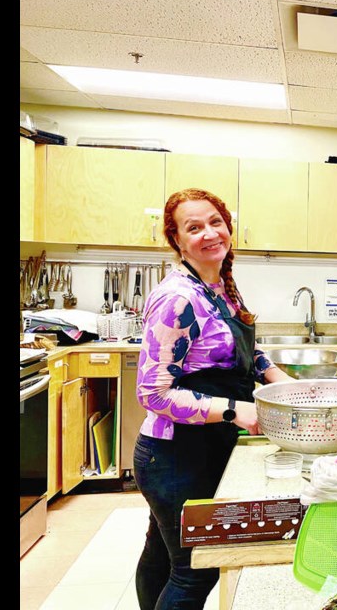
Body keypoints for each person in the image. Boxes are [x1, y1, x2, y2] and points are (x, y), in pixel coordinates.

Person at [133, 188, 293, 609]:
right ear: (177, 241)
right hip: (173, 456)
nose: (209, 233)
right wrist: (235, 409)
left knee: (162, 557)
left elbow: (242, 353)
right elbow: (153, 392)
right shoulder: (177, 298)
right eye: (194, 227)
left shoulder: (219, 286)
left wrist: (279, 381)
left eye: (215, 222)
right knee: (193, 572)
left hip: (202, 448)